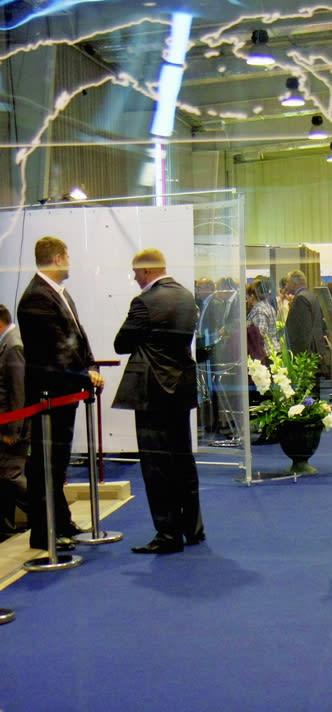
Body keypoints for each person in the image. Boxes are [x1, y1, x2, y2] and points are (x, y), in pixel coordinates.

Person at [113, 248, 204, 555]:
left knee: (156, 466)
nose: (135, 278)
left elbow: (121, 343)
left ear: (148, 271)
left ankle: (167, 534)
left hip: (152, 392)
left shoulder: (144, 302)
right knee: (183, 459)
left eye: (136, 272)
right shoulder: (186, 296)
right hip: (181, 388)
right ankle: (193, 528)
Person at [17, 236, 104, 552]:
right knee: (46, 466)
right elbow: (56, 349)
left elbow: (77, 337)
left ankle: (61, 522)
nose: (69, 262)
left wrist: (90, 366)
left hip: (64, 392)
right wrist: (84, 374)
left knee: (57, 464)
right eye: (67, 256)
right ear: (57, 258)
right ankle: (45, 533)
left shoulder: (58, 294)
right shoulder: (37, 298)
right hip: (49, 394)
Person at [0, 305, 28, 540]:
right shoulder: (8, 343)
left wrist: (13, 430)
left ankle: (48, 516)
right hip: (6, 424)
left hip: (11, 426)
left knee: (11, 476)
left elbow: (18, 392)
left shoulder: (13, 346)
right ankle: (6, 527)